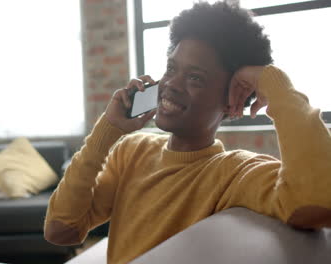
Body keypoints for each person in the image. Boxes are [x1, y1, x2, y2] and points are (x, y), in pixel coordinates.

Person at [44, 2, 331, 263]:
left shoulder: (236, 172)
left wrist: (273, 82)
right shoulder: (131, 150)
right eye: (171, 68)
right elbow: (61, 230)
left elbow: (317, 200)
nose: (172, 84)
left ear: (232, 104)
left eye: (195, 77)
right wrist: (107, 131)